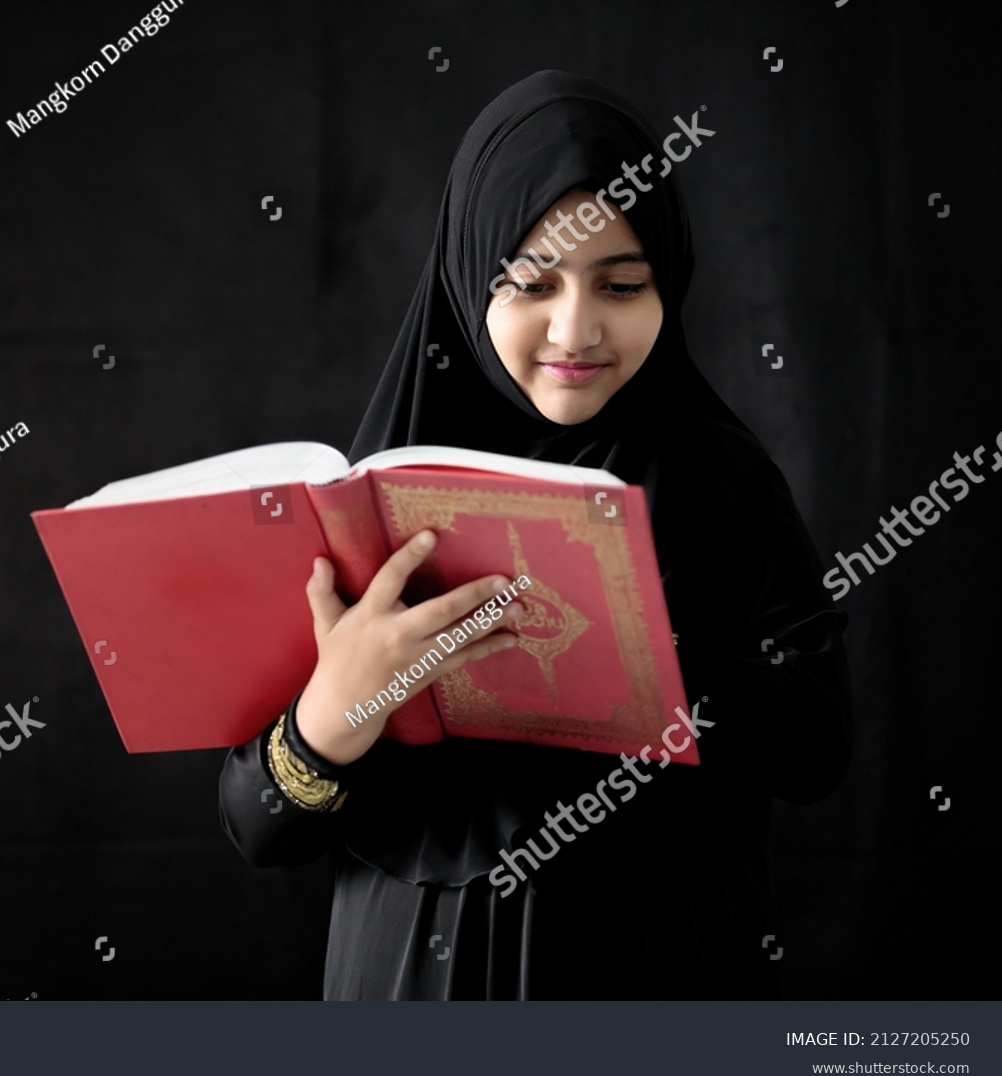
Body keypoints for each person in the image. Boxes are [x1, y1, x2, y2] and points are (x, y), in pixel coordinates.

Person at [218, 70, 852, 999]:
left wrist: (620, 642)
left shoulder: (723, 482)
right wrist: (335, 712)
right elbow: (257, 826)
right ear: (471, 275)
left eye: (623, 284)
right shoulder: (375, 493)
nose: (576, 327)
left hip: (657, 963)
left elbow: (818, 744)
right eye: (530, 283)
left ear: (667, 280)